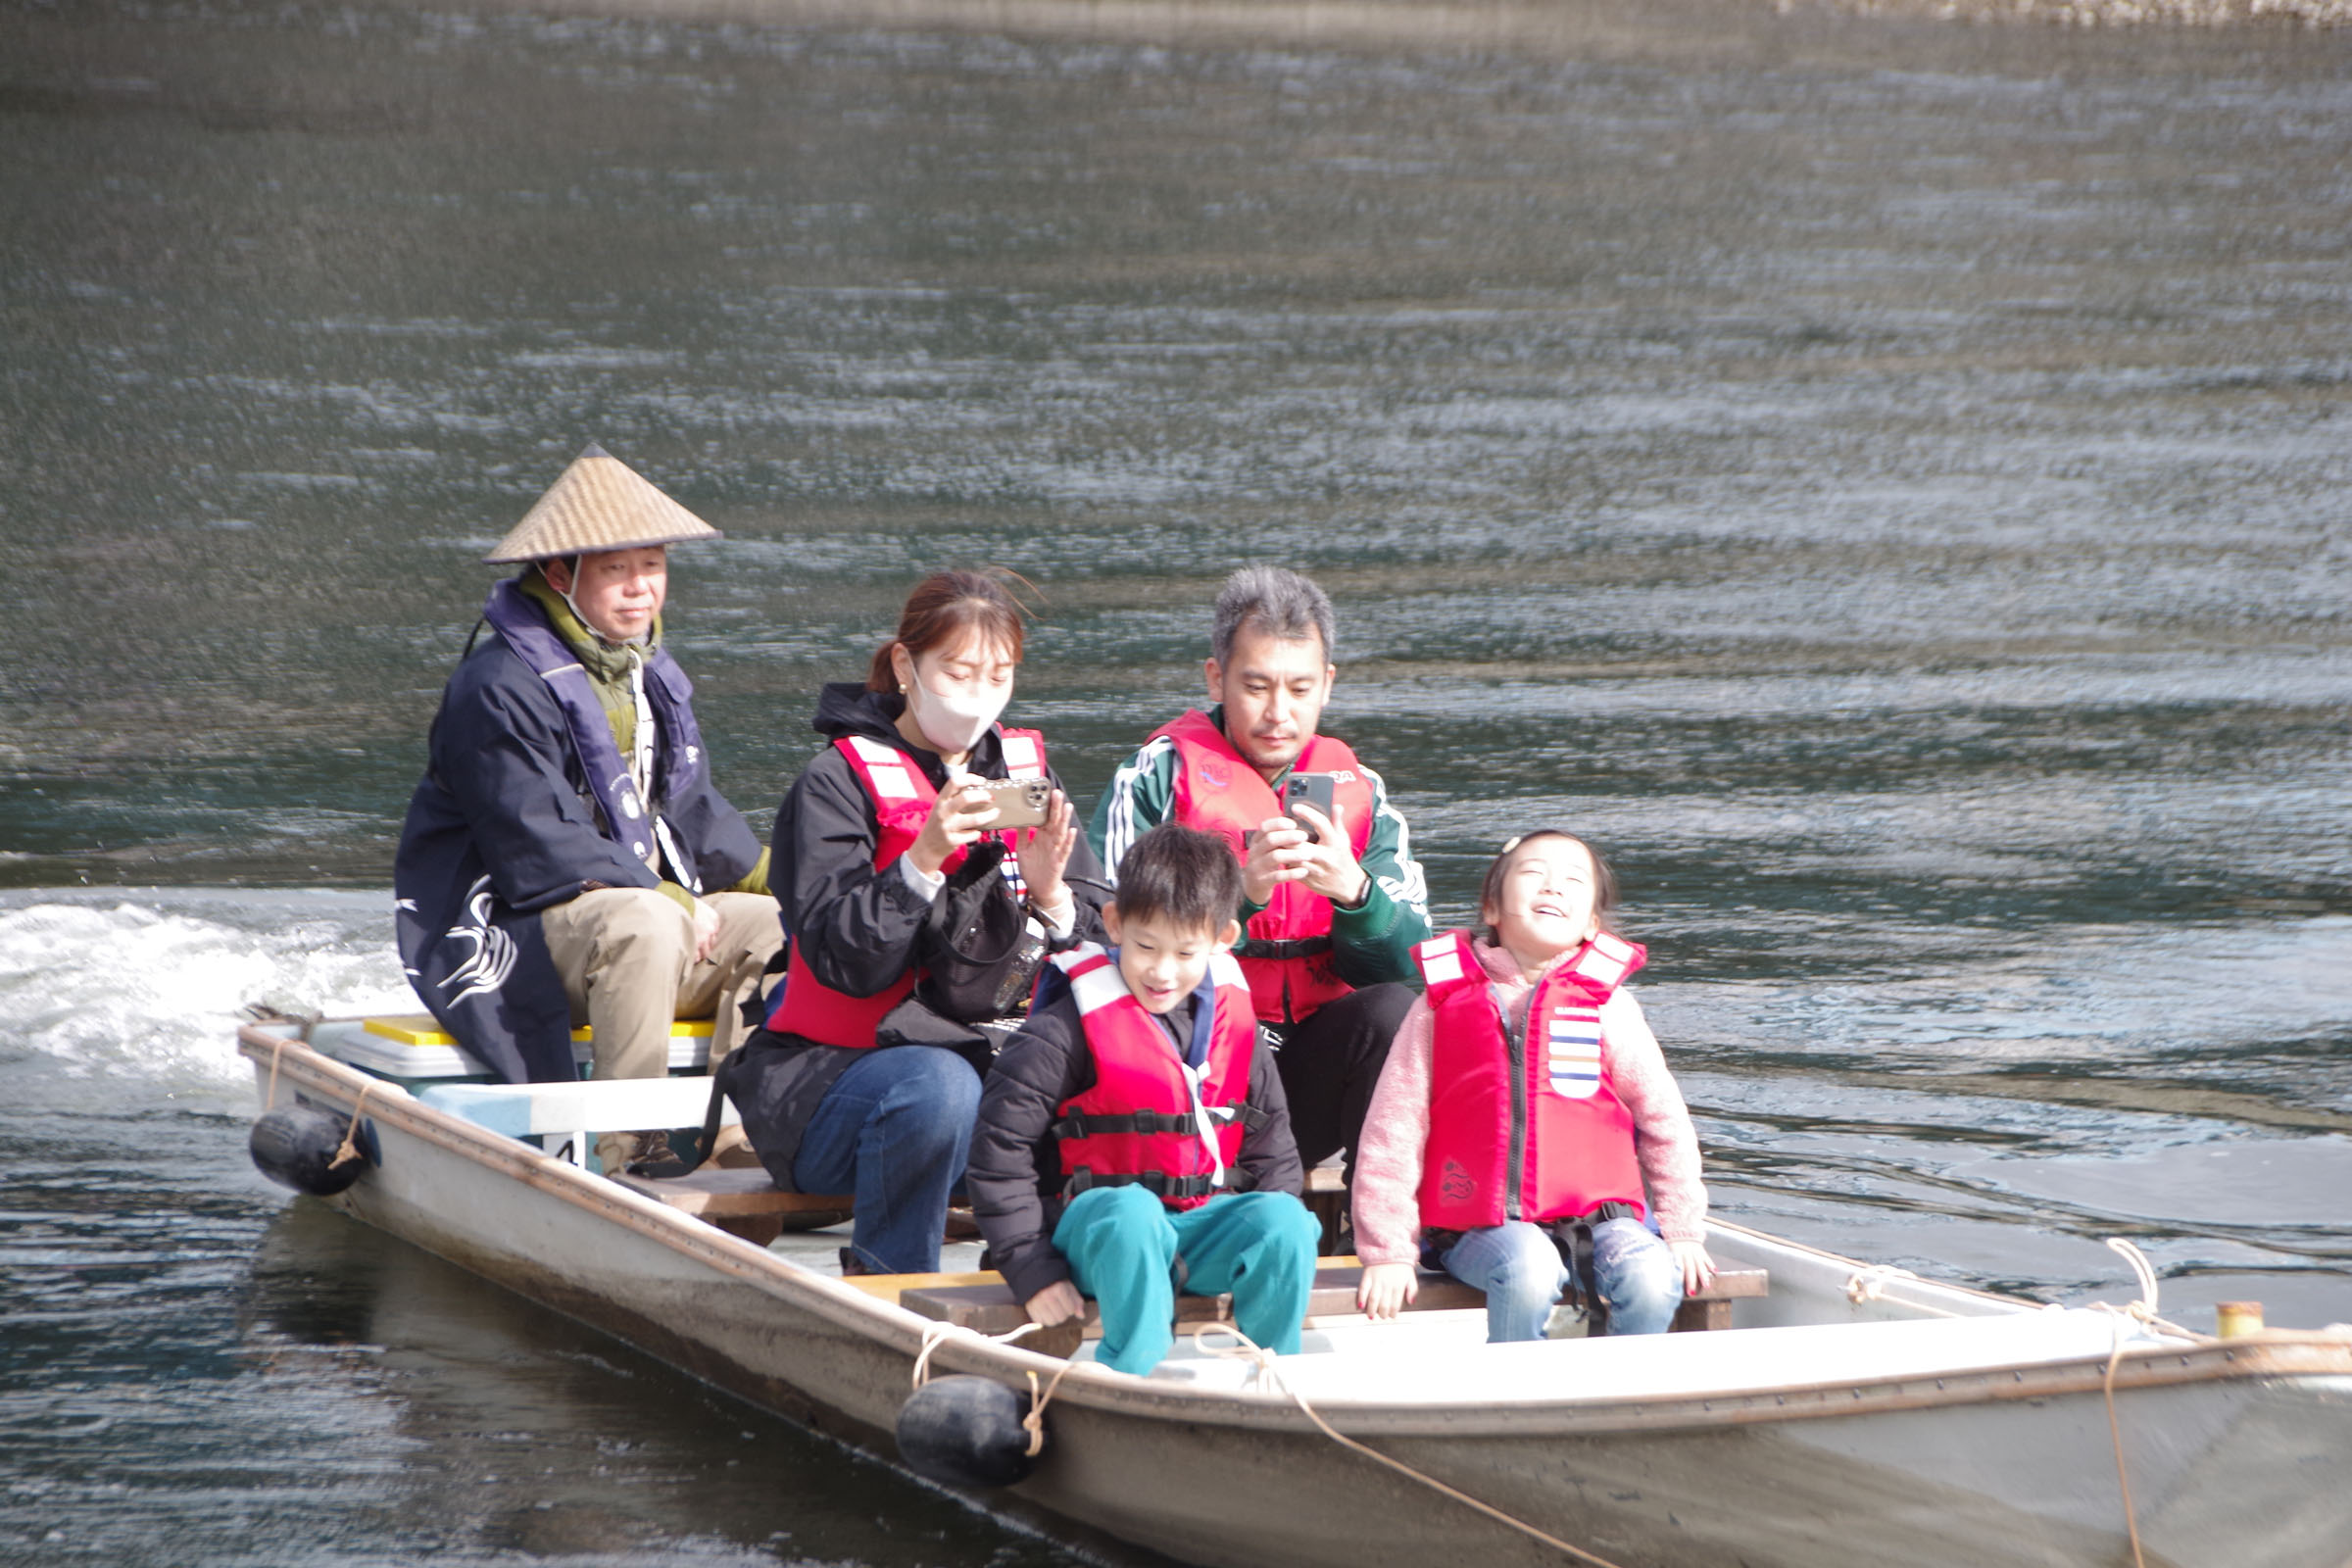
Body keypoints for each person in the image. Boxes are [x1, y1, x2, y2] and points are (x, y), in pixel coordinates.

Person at [394, 444, 780, 1174]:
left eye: (653, 566)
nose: (641, 589)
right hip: (519, 928)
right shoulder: (496, 685)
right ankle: (629, 1147)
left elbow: (692, 810)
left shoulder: (645, 671)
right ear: (558, 574)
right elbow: (534, 839)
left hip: (635, 919)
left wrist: (791, 878)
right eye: (616, 570)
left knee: (779, 927)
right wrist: (663, 893)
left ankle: (742, 1139)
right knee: (647, 920)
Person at [725, 570, 1110, 1276]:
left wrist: (1054, 899)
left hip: (991, 1069)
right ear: (907, 666)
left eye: (998, 675)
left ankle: (1059, 1279)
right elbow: (845, 961)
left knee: (1099, 1070)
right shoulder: (833, 785)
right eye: (958, 672)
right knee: (938, 1086)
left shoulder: (1028, 779)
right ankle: (896, 1286)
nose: (978, 694)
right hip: (830, 1087)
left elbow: (1101, 944)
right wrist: (923, 859)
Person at [1090, 566, 1430, 1194]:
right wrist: (1239, 898)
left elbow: (1413, 967)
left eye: (1300, 689)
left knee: (1395, 1012)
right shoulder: (1155, 777)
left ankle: (1373, 1221)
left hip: (1308, 1071)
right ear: (1216, 678)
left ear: (1326, 686)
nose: (1279, 713)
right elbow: (1102, 934)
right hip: (1191, 1060)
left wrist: (1355, 895)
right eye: (1255, 686)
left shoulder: (1366, 794)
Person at [968, 824, 1319, 1375]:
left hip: (1198, 1229)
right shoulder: (1061, 1032)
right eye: (1145, 946)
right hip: (1095, 1238)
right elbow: (999, 1154)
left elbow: (1272, 1146)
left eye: (1185, 952)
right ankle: (1132, 1374)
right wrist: (1032, 1269)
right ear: (1115, 925)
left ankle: (1276, 1375)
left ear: (1224, 939)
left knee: (1286, 1219)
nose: (1162, 971)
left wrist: (1273, 1215)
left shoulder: (1238, 1028)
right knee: (1131, 1214)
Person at [1350, 831, 1714, 1344]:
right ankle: (1515, 1401)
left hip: (1602, 1220)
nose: (1553, 887)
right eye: (1532, 874)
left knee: (1653, 1277)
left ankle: (1622, 1398)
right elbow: (1393, 1131)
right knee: (1530, 1268)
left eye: (1572, 880)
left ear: (1591, 925)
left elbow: (1664, 1122)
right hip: (1478, 1229)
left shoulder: (1610, 1009)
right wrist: (1387, 1251)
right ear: (1491, 909)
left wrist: (1681, 1230)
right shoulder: (1437, 1006)